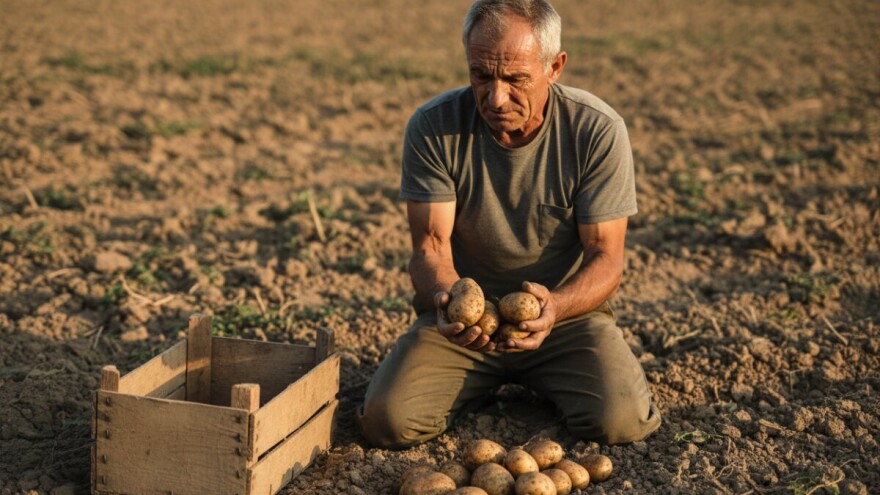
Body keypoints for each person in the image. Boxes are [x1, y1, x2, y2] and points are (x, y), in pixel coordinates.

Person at [358, 0, 661, 449]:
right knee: (387, 420)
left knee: (620, 422)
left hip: (563, 319)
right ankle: (473, 383)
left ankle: (539, 378)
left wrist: (555, 308)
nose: (495, 98)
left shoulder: (595, 131)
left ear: (554, 67)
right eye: (481, 75)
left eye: (516, 79)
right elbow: (431, 248)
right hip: (468, 328)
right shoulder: (433, 127)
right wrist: (448, 301)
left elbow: (605, 257)